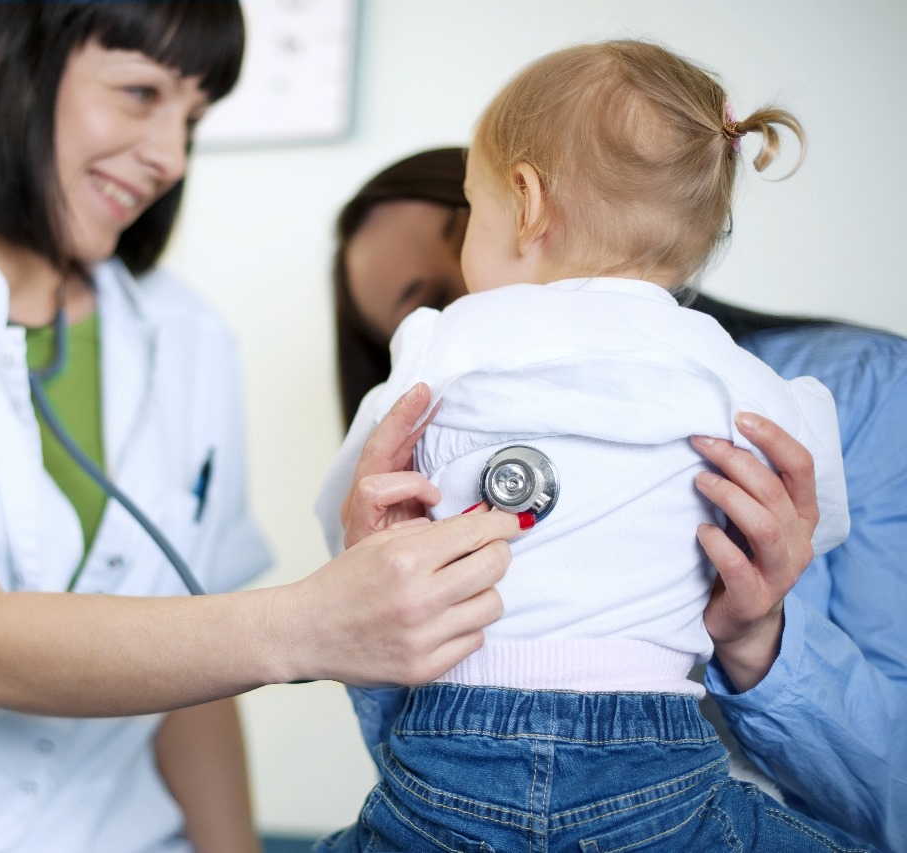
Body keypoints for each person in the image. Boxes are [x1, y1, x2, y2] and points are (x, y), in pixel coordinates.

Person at [0, 5, 530, 852]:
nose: (169, 157)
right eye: (140, 92)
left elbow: (194, 675)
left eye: (193, 118)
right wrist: (310, 622)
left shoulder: (187, 335)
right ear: (8, 64)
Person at [316, 40, 878, 851]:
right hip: (656, 751)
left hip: (449, 747)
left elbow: (346, 524)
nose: (460, 273)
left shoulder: (441, 344)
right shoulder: (732, 371)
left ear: (527, 200)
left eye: (467, 213)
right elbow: (811, 512)